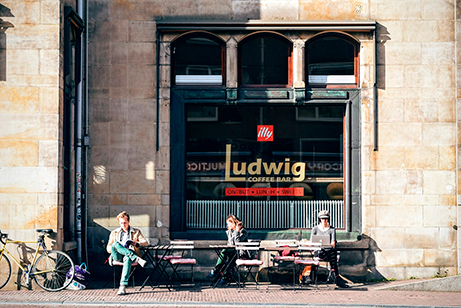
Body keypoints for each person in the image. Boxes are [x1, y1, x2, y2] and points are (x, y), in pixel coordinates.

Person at [107, 211, 149, 295]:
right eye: (121, 223)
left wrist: (136, 243)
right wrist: (117, 248)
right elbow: (108, 247)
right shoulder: (114, 233)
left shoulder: (136, 231)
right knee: (115, 243)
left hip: (129, 255)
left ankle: (122, 286)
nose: (123, 225)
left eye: (125, 223)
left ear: (129, 221)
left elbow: (145, 242)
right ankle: (136, 258)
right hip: (117, 255)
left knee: (127, 257)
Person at [311, 210, 350, 288]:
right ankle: (336, 276)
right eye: (322, 219)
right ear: (320, 219)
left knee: (332, 251)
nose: (324, 221)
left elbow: (333, 244)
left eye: (326, 219)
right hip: (319, 251)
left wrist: (326, 244)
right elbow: (312, 242)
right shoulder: (315, 229)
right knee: (333, 254)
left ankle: (333, 273)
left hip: (328, 251)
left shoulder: (332, 229)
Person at [207, 214, 248, 285]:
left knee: (224, 252)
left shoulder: (243, 232)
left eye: (229, 224)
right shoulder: (230, 232)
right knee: (225, 259)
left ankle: (216, 271)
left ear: (234, 223)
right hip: (231, 253)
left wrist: (237, 231)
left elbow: (237, 243)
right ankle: (224, 278)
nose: (227, 225)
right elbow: (229, 244)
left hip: (239, 253)